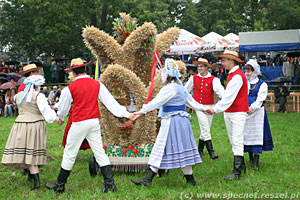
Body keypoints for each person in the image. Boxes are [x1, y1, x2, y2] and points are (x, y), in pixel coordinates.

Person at [45, 58, 134, 193]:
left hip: (79, 122)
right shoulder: (97, 84)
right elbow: (111, 103)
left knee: (70, 153)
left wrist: (60, 118)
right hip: (93, 122)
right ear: (85, 69)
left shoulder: (70, 88)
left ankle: (60, 185)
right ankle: (110, 185)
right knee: (100, 152)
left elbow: (63, 108)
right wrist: (126, 114)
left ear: (73, 72)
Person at [131, 59, 204, 187]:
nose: (162, 75)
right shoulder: (180, 87)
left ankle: (149, 179)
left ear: (169, 74)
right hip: (181, 121)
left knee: (161, 147)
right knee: (178, 148)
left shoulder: (170, 88)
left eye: (164, 72)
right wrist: (204, 108)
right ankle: (189, 180)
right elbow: (192, 102)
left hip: (172, 121)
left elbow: (156, 102)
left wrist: (141, 111)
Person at [1, 75, 58, 190]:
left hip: (20, 125)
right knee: (32, 153)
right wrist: (55, 118)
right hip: (34, 125)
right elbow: (45, 110)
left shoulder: (18, 96)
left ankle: (31, 177)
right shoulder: (38, 96)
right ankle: (36, 182)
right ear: (37, 86)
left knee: (25, 151)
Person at [206, 50, 248, 180]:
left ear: (231, 60)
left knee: (236, 140)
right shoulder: (232, 74)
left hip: (237, 112)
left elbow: (229, 97)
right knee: (233, 140)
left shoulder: (237, 76)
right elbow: (227, 96)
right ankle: (242, 167)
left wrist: (215, 109)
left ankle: (237, 172)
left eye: (224, 60)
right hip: (230, 112)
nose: (222, 63)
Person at [185, 58, 224, 160]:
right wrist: (191, 103)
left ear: (207, 67)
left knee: (206, 128)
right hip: (199, 107)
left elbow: (221, 92)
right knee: (205, 127)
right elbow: (185, 91)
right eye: (198, 66)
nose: (199, 68)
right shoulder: (193, 78)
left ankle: (199, 149)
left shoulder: (214, 79)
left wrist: (219, 105)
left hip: (210, 106)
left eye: (201, 66)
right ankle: (211, 152)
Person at [243, 59, 274, 170]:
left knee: (257, 135)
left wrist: (252, 107)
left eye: (249, 71)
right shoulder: (244, 84)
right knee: (246, 134)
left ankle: (256, 160)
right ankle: (250, 156)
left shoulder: (262, 84)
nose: (247, 73)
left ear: (255, 71)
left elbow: (260, 99)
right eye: (246, 71)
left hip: (257, 113)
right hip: (245, 111)